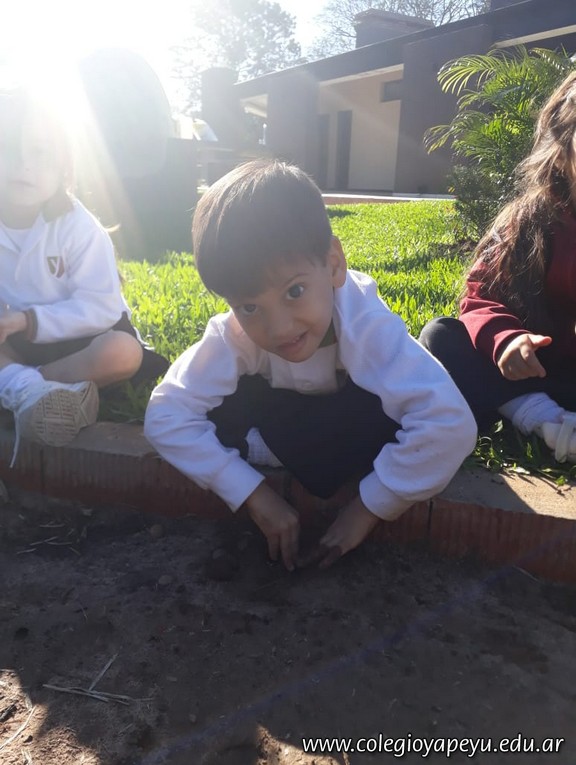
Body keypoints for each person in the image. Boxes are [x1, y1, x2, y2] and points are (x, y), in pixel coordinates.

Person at [145, 159, 477, 570]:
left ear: (333, 264)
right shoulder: (234, 334)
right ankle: (269, 448)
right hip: (288, 416)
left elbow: (450, 424)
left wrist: (367, 509)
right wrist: (252, 494)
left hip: (355, 418)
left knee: (403, 403)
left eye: (294, 291)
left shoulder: (367, 327)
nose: (279, 328)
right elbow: (166, 413)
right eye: (249, 306)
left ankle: (266, 448)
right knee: (226, 403)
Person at [0, 81, 168, 459]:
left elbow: (102, 308)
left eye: (39, 152)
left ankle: (23, 389)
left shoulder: (79, 228)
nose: (23, 163)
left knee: (124, 352)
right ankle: (32, 393)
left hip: (84, 341)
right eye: (8, 147)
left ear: (63, 165)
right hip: (14, 343)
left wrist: (27, 320)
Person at [420, 71, 576, 464]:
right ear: (561, 153)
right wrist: (506, 340)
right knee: (441, 337)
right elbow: (479, 296)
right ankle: (545, 419)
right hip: (527, 373)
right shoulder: (528, 222)